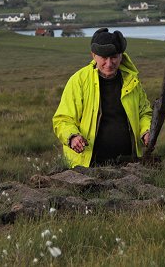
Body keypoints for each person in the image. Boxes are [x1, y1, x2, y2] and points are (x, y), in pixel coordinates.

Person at [52, 28, 152, 168]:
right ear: (94, 56)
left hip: (129, 164)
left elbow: (144, 113)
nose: (109, 63)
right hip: (87, 165)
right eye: (104, 58)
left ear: (121, 56)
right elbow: (63, 119)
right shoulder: (78, 80)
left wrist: (146, 132)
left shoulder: (132, 81)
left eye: (114, 57)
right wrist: (73, 137)